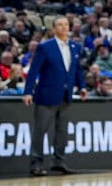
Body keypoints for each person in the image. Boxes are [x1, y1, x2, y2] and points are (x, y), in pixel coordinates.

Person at [22, 16, 85, 176]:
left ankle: (58, 162)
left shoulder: (75, 47)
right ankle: (36, 163)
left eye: (66, 24)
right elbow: (33, 71)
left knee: (62, 131)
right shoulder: (45, 47)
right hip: (46, 94)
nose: (64, 27)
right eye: (60, 25)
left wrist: (82, 87)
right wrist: (28, 91)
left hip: (66, 95)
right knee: (40, 130)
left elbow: (77, 70)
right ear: (53, 29)